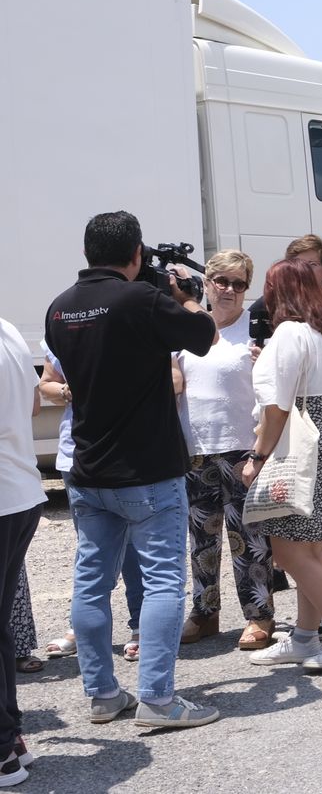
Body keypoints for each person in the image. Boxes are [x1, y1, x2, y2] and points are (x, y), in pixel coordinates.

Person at [44, 211, 221, 728]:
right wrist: (185, 294)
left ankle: (102, 695)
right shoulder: (143, 300)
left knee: (91, 582)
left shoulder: (60, 308)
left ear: (86, 253)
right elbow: (204, 333)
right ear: (137, 253)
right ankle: (159, 700)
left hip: (88, 469)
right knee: (165, 580)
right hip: (147, 469)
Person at [240, 260, 322, 671]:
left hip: (301, 446)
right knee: (311, 550)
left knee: (292, 553)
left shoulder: (289, 334)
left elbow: (278, 408)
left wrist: (257, 457)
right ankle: (306, 637)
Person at [176, 250, 275, 650]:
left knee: (249, 538)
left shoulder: (254, 335)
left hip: (241, 449)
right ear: (207, 284)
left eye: (239, 283)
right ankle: (205, 612)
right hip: (195, 449)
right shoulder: (186, 331)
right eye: (223, 281)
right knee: (201, 539)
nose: (231, 290)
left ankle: (259, 616)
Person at [37, 345, 143, 662]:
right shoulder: (64, 323)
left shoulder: (127, 316)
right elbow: (47, 383)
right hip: (77, 454)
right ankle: (81, 630)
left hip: (128, 452)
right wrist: (67, 390)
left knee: (134, 545)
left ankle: (141, 625)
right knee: (90, 549)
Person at [0, 316, 45, 782]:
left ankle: (4, 751)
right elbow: (32, 404)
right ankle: (10, 739)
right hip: (20, 492)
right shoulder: (8, 328)